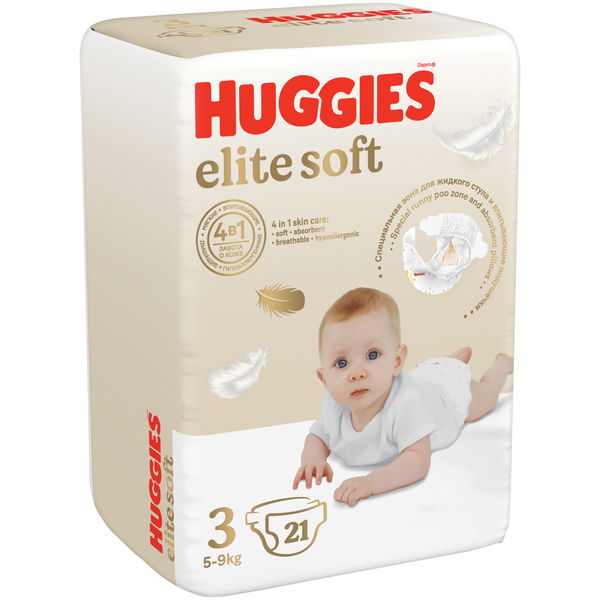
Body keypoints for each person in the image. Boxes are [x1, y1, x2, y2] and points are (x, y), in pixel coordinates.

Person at [292, 287, 513, 507]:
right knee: (435, 371)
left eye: (372, 355)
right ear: (324, 379)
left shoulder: (407, 404)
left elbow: (417, 459)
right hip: (423, 377)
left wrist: (370, 482)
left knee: (485, 399)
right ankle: (452, 360)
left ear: (397, 362)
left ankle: (499, 366)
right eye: (342, 363)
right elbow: (317, 437)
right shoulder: (333, 406)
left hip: (447, 394)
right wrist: (313, 459)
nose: (356, 373)